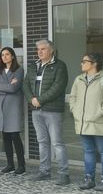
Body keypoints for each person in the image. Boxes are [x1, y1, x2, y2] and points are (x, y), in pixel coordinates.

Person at [23, 39, 70, 185]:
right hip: (36, 110)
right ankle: (44, 171)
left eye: (43, 49)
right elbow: (25, 85)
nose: (40, 52)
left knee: (57, 142)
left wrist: (40, 100)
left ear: (51, 50)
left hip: (52, 110)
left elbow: (58, 87)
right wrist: (32, 99)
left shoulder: (59, 66)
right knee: (42, 142)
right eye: (38, 49)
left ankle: (64, 174)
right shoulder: (33, 66)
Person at [70, 52, 103, 191]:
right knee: (88, 151)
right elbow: (73, 96)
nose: (81, 63)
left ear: (94, 63)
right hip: (83, 123)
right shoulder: (79, 79)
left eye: (85, 61)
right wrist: (75, 110)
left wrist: (100, 112)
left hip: (99, 122)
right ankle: (89, 178)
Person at [0, 47, 25, 174]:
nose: (4, 57)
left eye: (7, 54)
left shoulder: (19, 70)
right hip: (1, 107)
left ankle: (21, 165)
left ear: (13, 56)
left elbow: (14, 88)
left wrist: (0, 86)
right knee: (5, 136)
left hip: (13, 106)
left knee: (15, 136)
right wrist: (5, 86)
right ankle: (10, 164)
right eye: (2, 55)